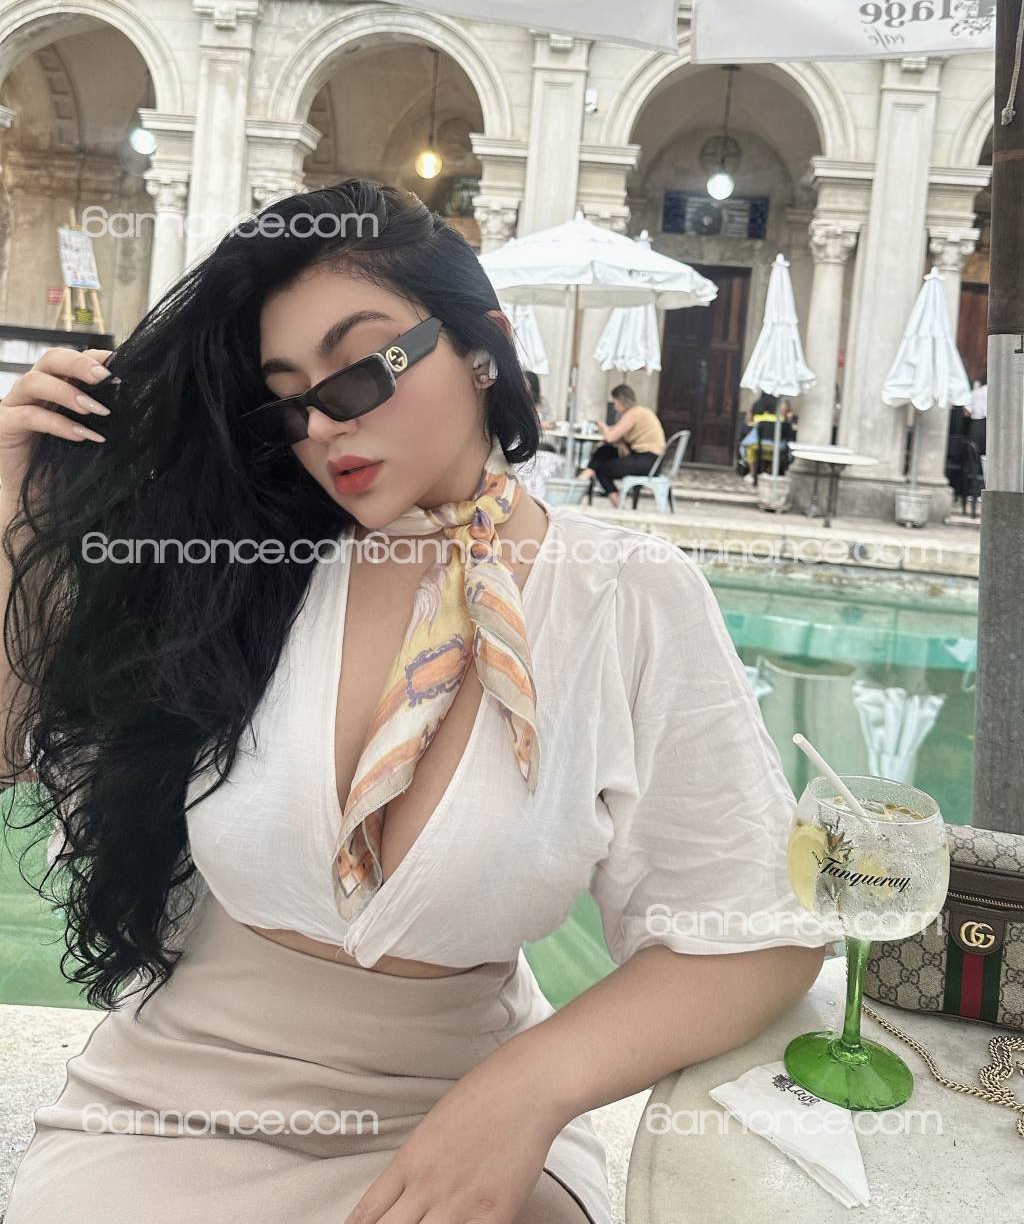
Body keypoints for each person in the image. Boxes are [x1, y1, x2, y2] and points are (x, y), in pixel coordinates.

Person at [0, 179, 830, 1224]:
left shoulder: (624, 598)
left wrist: (528, 1087)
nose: (323, 424)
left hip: (462, 1113)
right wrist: (14, 506)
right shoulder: (242, 569)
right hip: (168, 1109)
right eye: (288, 400)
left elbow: (755, 932)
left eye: (359, 370)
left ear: (482, 346)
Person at [578, 384, 666, 508]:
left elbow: (610, 437)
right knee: (605, 450)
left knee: (602, 470)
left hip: (647, 461)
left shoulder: (633, 413)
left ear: (621, 400)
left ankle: (617, 503)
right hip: (649, 460)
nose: (614, 407)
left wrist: (603, 427)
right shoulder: (640, 411)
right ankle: (588, 473)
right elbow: (617, 432)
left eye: (615, 403)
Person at [962, 372, 987, 457]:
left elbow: (967, 412)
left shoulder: (976, 392)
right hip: (986, 423)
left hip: (975, 425)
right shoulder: (991, 391)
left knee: (973, 453)